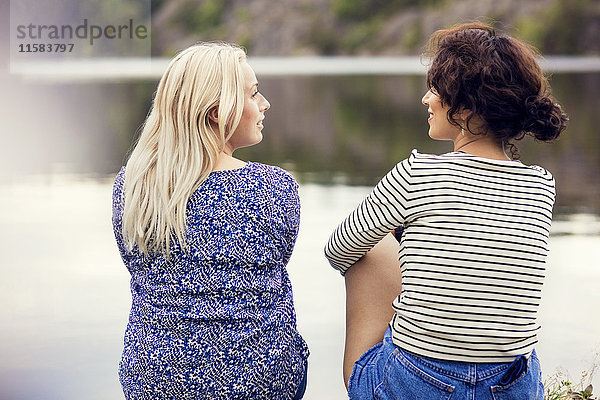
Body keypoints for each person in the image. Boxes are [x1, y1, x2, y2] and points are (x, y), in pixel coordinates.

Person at [324, 22, 568, 400]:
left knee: (372, 246)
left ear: (468, 106)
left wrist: (401, 245)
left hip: (417, 383)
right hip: (512, 388)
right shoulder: (541, 186)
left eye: (436, 89)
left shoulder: (417, 173)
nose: (426, 99)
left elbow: (338, 248)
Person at [112, 42, 309, 399]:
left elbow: (136, 264)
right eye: (253, 93)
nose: (264, 104)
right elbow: (273, 264)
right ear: (217, 111)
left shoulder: (133, 185)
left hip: (156, 381)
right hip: (261, 382)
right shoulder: (276, 187)